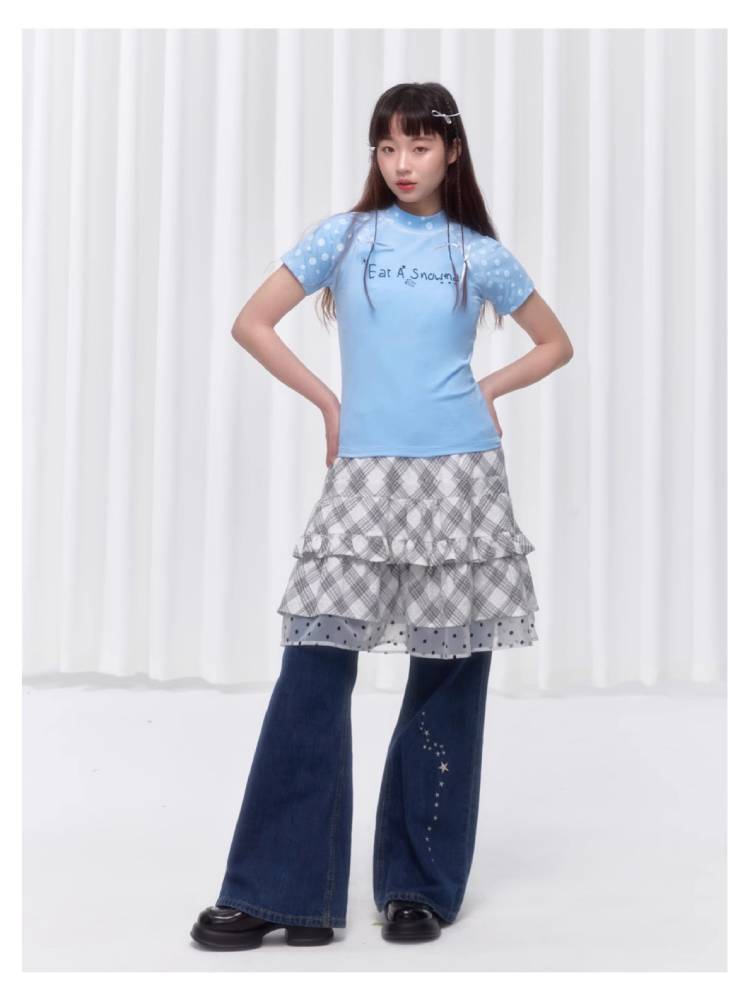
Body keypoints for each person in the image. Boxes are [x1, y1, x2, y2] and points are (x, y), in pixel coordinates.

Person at [190, 81, 574, 951]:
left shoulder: (479, 252)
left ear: (452, 152)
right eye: (388, 147)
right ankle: (278, 890)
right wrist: (328, 402)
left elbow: (556, 343)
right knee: (313, 667)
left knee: (448, 681)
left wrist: (488, 388)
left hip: (461, 478)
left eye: (420, 147)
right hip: (364, 477)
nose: (402, 164)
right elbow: (253, 323)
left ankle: (419, 887)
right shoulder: (344, 236)